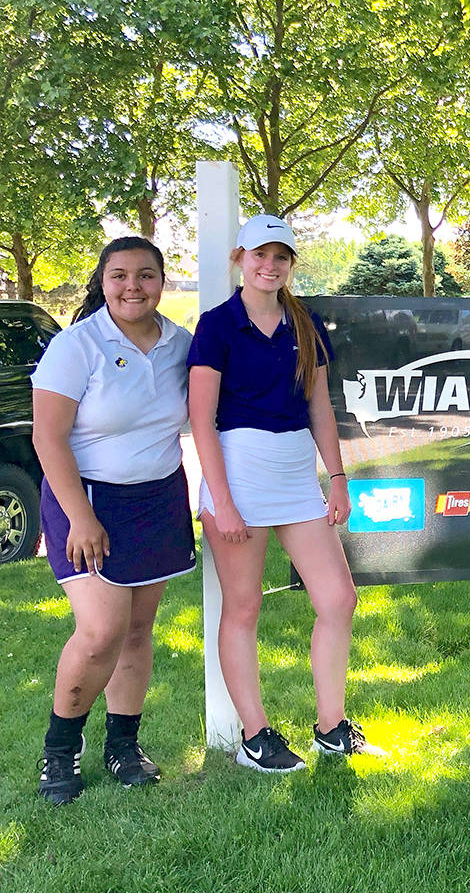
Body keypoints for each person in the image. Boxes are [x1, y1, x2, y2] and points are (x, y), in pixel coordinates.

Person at [188, 214, 380, 772]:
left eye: (280, 257)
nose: (268, 266)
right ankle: (256, 736)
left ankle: (331, 727)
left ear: (291, 264)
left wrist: (337, 478)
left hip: (296, 476)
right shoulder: (217, 325)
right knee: (243, 607)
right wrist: (222, 500)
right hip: (238, 475)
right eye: (258, 255)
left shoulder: (305, 323)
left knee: (338, 599)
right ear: (240, 259)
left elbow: (320, 407)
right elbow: (201, 419)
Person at [33, 237, 196, 804]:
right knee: (100, 631)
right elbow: (47, 438)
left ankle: (123, 744)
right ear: (102, 281)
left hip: (158, 497)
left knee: (135, 631)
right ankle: (60, 751)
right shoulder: (76, 346)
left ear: (162, 281)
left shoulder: (182, 343)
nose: (133, 287)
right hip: (90, 501)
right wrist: (80, 517)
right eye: (120, 275)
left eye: (146, 275)